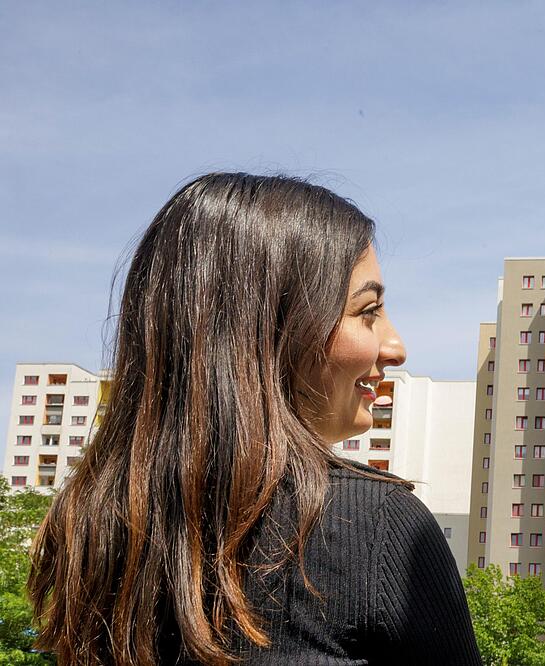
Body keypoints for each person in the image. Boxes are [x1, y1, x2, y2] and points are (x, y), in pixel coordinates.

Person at [28, 174, 481, 665]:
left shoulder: (92, 527)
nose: (395, 347)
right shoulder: (375, 527)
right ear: (270, 332)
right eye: (367, 311)